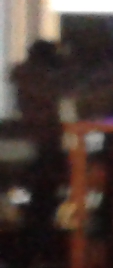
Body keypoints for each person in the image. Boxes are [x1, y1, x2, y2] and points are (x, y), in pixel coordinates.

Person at [9, 40, 71, 243]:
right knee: (46, 185)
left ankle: (37, 229)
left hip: (36, 138)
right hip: (44, 139)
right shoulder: (45, 81)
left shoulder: (26, 77)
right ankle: (40, 231)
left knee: (44, 187)